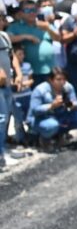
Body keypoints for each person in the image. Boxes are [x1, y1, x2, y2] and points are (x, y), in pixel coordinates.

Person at [26, 66, 77, 149]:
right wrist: (51, 106)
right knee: (52, 125)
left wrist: (70, 104)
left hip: (59, 115)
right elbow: (35, 110)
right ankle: (44, 139)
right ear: (51, 80)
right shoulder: (40, 90)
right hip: (40, 118)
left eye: (64, 79)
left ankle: (60, 135)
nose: (62, 82)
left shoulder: (68, 88)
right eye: (58, 79)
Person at [7, 0, 62, 85]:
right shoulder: (15, 27)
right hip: (31, 73)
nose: (31, 13)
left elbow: (58, 39)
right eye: (27, 10)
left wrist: (48, 28)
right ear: (21, 13)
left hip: (51, 70)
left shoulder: (44, 24)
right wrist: (26, 36)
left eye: (33, 10)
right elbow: (7, 38)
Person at [0, 14, 23, 168]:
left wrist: (18, 72)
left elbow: (12, 55)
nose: (4, 21)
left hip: (6, 84)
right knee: (1, 119)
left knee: (5, 119)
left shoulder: (4, 36)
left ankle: (2, 152)